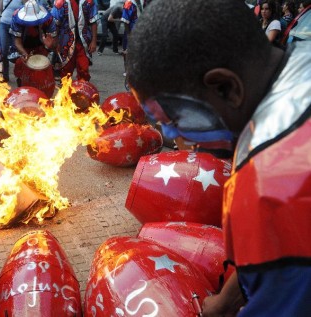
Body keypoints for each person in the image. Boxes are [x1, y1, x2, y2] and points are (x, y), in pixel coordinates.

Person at [127, 0, 311, 316]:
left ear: (225, 87)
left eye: (172, 116)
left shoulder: (269, 188)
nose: (171, 135)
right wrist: (227, 300)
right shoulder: (300, 42)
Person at [9, 0, 57, 87]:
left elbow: (54, 43)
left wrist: (49, 46)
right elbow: (17, 42)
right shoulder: (16, 17)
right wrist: (24, 54)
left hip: (41, 46)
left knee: (42, 72)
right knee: (22, 70)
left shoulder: (49, 19)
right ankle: (22, 89)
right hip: (24, 46)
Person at [51, 0, 99, 82]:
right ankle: (65, 92)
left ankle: (82, 91)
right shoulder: (60, 2)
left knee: (83, 68)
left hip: (83, 42)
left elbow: (93, 21)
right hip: (65, 42)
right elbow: (55, 24)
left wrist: (94, 41)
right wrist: (56, 41)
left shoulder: (89, 2)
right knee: (66, 70)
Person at [0, 0, 23, 82]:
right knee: (3, 51)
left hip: (17, 25)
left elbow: (25, 9)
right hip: (3, 24)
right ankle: (5, 76)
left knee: (18, 51)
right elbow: (0, 9)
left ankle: (20, 77)